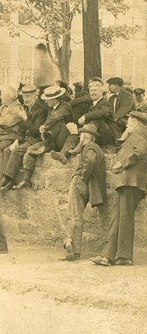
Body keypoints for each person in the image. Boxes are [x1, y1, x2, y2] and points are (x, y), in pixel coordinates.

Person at [92, 111, 147, 266]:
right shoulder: (136, 135)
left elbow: (139, 152)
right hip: (129, 182)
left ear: (136, 123)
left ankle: (121, 256)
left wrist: (122, 164)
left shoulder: (139, 135)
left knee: (124, 218)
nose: (127, 124)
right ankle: (111, 255)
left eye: (129, 122)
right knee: (120, 218)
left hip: (131, 182)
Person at [63, 124, 107, 261]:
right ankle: (75, 250)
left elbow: (91, 160)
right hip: (89, 186)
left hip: (79, 182)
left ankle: (70, 242)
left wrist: (83, 176)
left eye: (81, 136)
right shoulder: (95, 148)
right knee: (77, 216)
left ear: (85, 137)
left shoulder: (90, 147)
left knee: (73, 214)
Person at [0, 85, 48, 190]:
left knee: (17, 152)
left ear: (35, 96)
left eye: (29, 97)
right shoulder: (26, 108)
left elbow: (35, 131)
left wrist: (25, 117)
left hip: (36, 139)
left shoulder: (42, 110)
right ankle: (9, 179)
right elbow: (22, 128)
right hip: (26, 138)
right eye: (24, 97)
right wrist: (17, 139)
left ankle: (7, 178)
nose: (25, 99)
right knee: (7, 150)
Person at [77, 77, 116, 145]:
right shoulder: (92, 105)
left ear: (101, 91)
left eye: (95, 90)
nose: (93, 93)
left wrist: (85, 116)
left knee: (96, 120)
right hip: (96, 135)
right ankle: (63, 153)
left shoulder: (105, 103)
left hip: (109, 137)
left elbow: (103, 112)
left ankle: (81, 145)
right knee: (72, 137)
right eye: (91, 91)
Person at [0, 86, 27, 152]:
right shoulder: (3, 106)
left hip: (9, 137)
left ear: (8, 96)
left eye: (2, 95)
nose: (0, 97)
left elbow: (6, 122)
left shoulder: (18, 108)